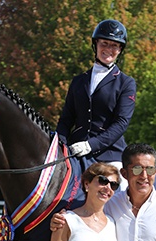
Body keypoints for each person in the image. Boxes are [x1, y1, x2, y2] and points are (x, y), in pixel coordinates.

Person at [56, 19, 136, 171]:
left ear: (120, 49)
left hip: (109, 154)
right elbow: (66, 118)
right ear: (96, 44)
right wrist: (59, 143)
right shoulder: (79, 81)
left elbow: (121, 123)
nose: (108, 49)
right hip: (75, 152)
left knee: (120, 189)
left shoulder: (126, 83)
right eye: (104, 43)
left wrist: (91, 145)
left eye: (114, 45)